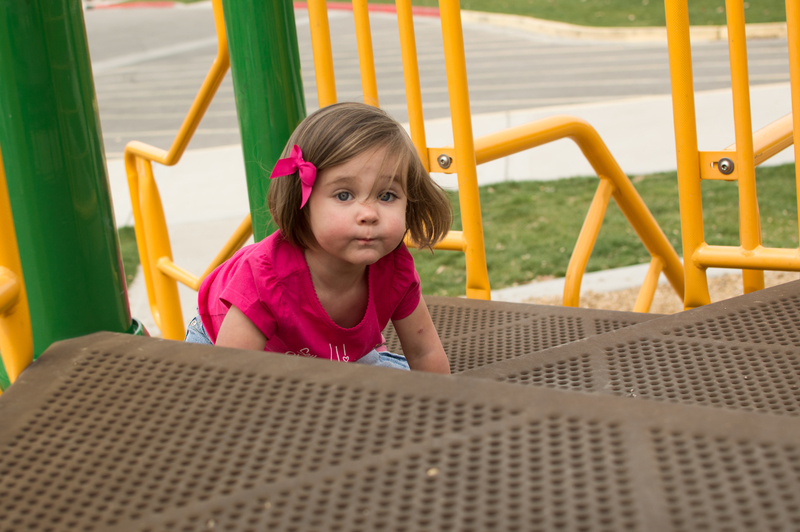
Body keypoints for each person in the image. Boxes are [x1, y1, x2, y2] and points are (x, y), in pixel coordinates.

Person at [184, 102, 452, 373]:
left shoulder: (395, 269)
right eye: (344, 195)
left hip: (327, 352)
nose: (369, 214)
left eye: (387, 196)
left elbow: (424, 352)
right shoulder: (266, 279)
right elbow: (231, 377)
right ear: (304, 201)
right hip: (228, 349)